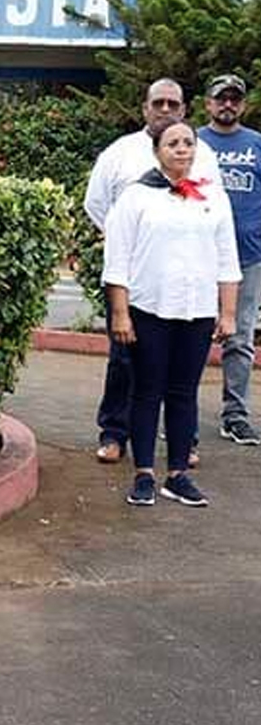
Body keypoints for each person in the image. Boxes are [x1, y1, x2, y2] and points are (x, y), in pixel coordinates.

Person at [85, 77, 222, 464]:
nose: (165, 110)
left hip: (186, 284)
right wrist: (129, 244)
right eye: (158, 103)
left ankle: (184, 442)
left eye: (172, 104)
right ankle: (114, 433)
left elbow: (215, 210)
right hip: (132, 282)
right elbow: (97, 204)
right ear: (145, 108)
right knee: (124, 360)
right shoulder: (120, 153)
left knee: (182, 369)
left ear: (184, 109)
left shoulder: (204, 155)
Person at [103, 119, 239, 507]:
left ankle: (177, 474)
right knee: (146, 391)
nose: (182, 149)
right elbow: (118, 260)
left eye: (188, 143)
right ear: (157, 150)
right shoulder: (136, 196)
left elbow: (228, 260)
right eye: (173, 143)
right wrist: (120, 314)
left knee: (184, 393)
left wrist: (227, 313)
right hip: (149, 310)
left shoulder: (212, 197)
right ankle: (144, 473)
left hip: (195, 312)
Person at [197, 73, 261, 445]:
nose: (228, 105)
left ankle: (235, 415)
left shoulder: (256, 144)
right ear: (207, 103)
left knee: (239, 337)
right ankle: (178, 415)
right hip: (199, 256)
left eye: (235, 99)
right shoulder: (194, 143)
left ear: (243, 104)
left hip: (249, 259)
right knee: (187, 337)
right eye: (221, 98)